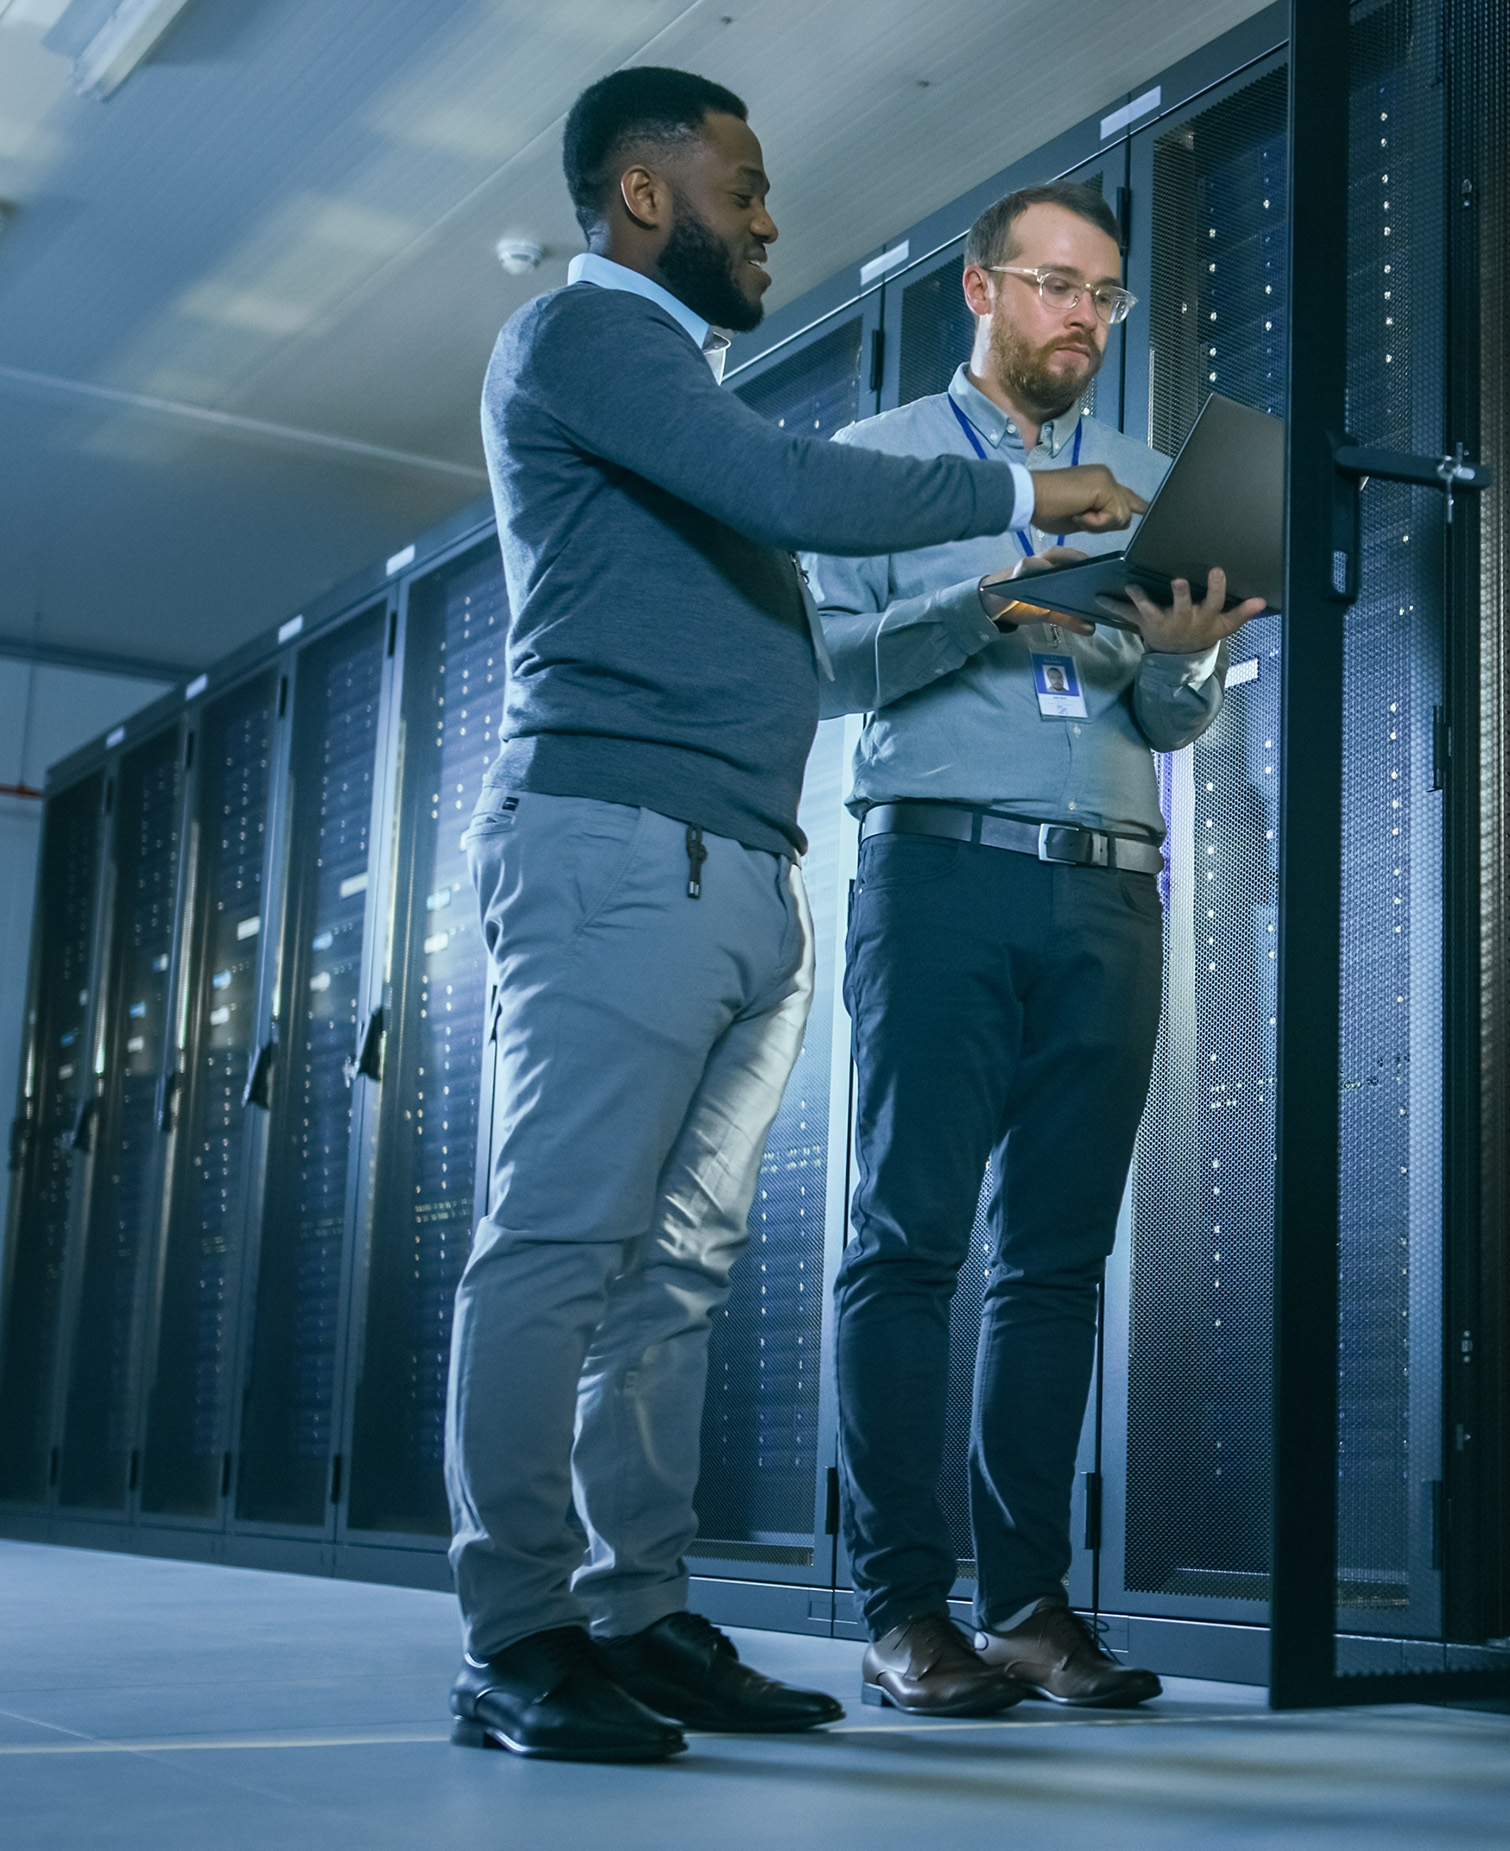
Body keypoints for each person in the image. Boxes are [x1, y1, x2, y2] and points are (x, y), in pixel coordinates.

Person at [447, 71, 1143, 1764]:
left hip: (738, 863)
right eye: (741, 187)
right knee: (561, 1248)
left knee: (676, 1269)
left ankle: (635, 1607)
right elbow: (803, 499)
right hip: (621, 842)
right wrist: (1019, 502)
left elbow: (787, 611)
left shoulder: (680, 387)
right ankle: (517, 1630)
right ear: (638, 192)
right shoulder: (586, 341)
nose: (770, 218)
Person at [810, 180, 1264, 1716]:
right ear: (982, 291)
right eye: (1057, 285)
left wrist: (1190, 665)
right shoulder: (875, 470)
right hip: (940, 877)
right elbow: (825, 665)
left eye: (1107, 295)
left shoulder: (1145, 479)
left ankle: (1025, 1606)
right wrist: (984, 602)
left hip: (1108, 889)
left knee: (1058, 1262)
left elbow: (1163, 713)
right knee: (907, 1244)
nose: (1083, 316)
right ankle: (900, 1607)